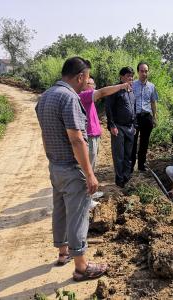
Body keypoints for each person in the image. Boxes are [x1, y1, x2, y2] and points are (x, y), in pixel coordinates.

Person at [35, 56, 107, 281]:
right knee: (77, 214)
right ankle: (82, 267)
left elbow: (46, 135)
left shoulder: (45, 97)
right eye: (86, 78)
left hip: (55, 166)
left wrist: (51, 159)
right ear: (80, 76)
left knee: (60, 209)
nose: (87, 83)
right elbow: (77, 139)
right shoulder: (69, 98)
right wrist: (89, 173)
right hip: (70, 167)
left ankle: (63, 252)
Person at [79, 76, 131, 201]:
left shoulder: (88, 100)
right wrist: (121, 86)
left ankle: (89, 194)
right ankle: (86, 198)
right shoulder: (83, 96)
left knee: (92, 166)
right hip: (90, 137)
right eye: (91, 83)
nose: (94, 86)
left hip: (94, 136)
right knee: (88, 168)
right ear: (85, 85)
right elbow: (102, 92)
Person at [105, 67, 136, 188]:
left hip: (130, 127)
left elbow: (134, 108)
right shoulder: (114, 90)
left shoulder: (131, 90)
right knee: (119, 155)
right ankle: (120, 180)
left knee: (128, 154)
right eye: (128, 76)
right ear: (121, 77)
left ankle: (127, 177)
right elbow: (109, 108)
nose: (131, 78)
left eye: (132, 76)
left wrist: (135, 125)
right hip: (118, 127)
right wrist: (112, 125)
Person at [131, 62, 159, 172]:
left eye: (146, 71)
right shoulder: (132, 85)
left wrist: (154, 117)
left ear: (148, 72)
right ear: (138, 72)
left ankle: (141, 166)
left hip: (147, 117)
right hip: (135, 117)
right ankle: (131, 166)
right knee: (133, 142)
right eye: (142, 71)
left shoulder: (152, 86)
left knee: (144, 142)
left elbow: (153, 102)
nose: (144, 73)